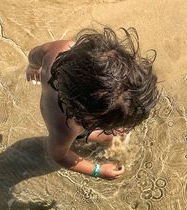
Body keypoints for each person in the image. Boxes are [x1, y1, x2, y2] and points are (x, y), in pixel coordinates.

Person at [26, 27, 158, 180]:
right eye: (112, 126)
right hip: (69, 122)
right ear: (88, 119)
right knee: (105, 138)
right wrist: (98, 170)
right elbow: (59, 156)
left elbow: (35, 53)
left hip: (65, 104)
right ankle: (103, 137)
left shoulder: (61, 49)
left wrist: (33, 66)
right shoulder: (66, 128)